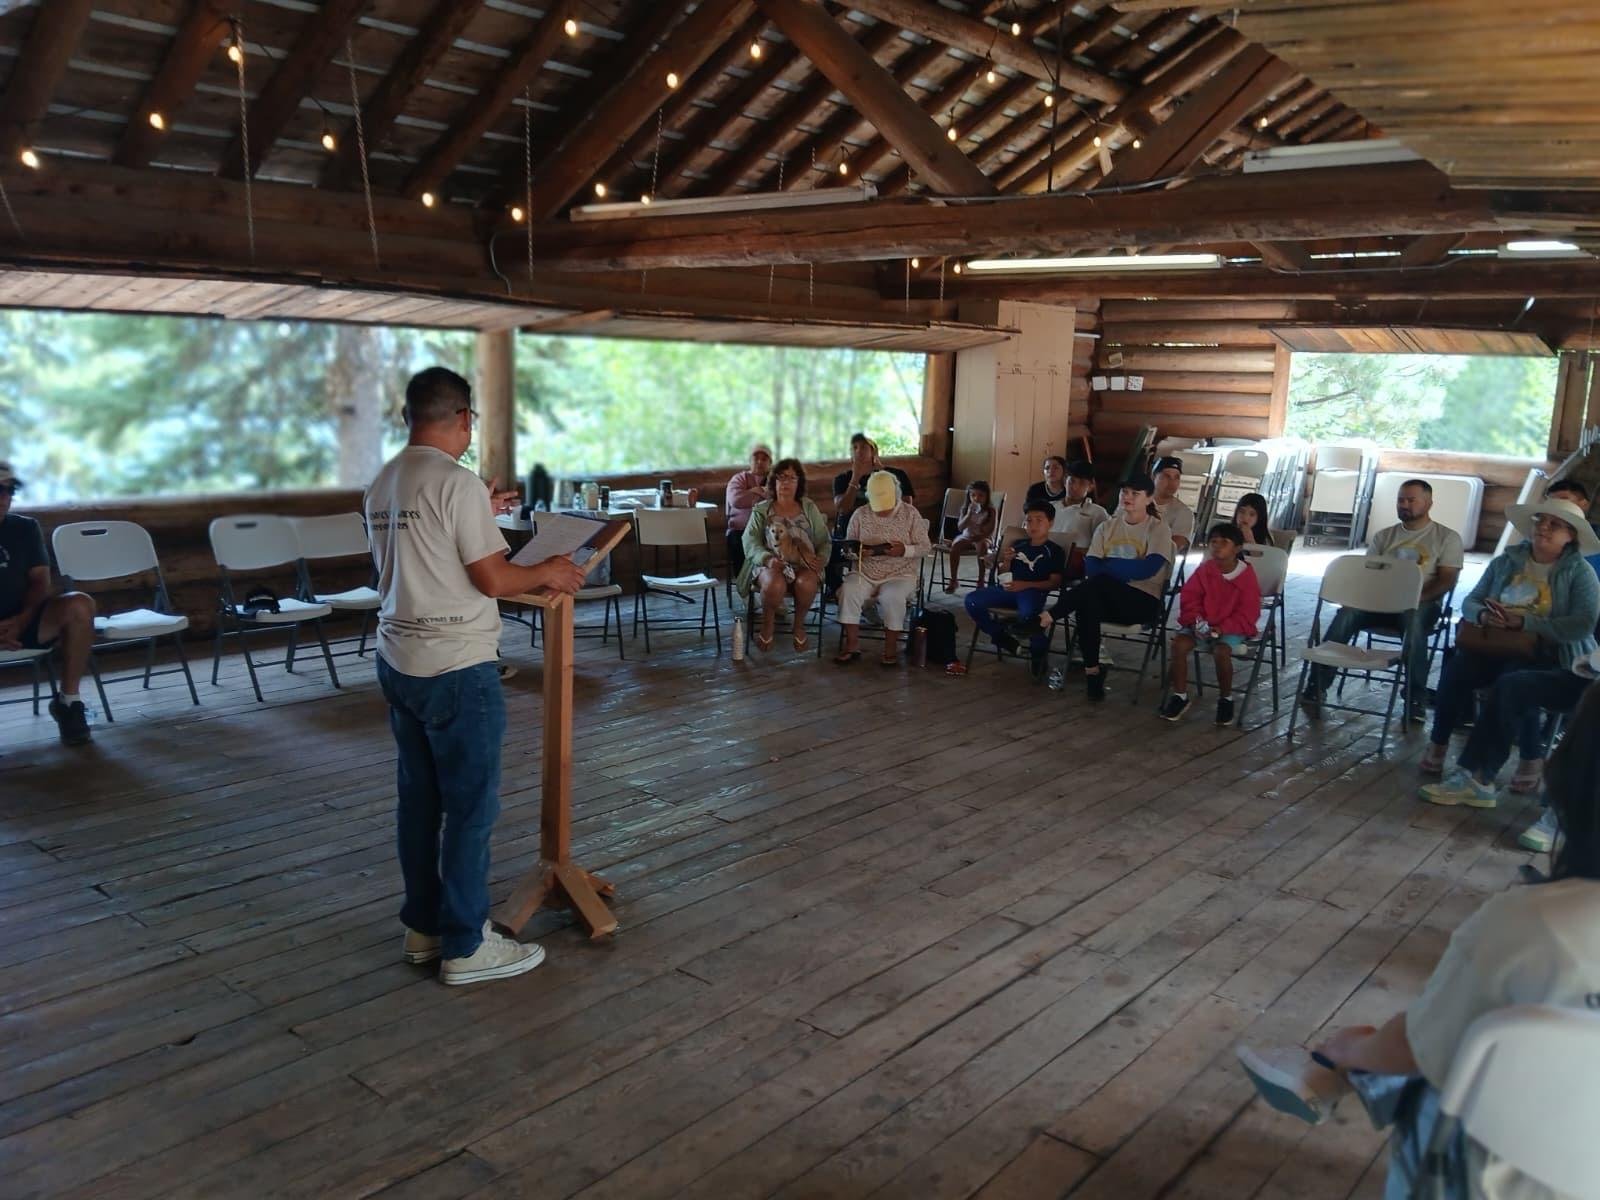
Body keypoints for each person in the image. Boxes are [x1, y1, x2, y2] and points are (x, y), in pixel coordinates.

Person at [1236, 680, 1600, 1200]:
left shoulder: (1530, 925)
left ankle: (1328, 1067)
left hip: (1498, 1175)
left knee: (1444, 1059)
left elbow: (1416, 1046)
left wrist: (1352, 1048)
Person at [366, 367, 587, 987]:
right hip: (457, 666)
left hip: (398, 658)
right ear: (462, 418)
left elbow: (420, 551)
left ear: (410, 416)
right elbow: (493, 580)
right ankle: (466, 945)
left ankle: (424, 927)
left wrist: (477, 512)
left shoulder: (385, 480)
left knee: (419, 803)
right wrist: (549, 570)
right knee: (469, 809)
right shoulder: (455, 483)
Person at [1417, 497, 1600, 804]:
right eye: (1540, 521)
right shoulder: (1507, 561)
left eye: (1554, 525)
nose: (1543, 527)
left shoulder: (1580, 573)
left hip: (1550, 653)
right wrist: (1486, 616)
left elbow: (1581, 625)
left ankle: (1484, 772)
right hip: (1495, 642)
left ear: (1570, 536)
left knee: (1513, 679)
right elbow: (1471, 601)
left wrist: (1525, 623)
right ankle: (1441, 745)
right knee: (1456, 670)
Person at [1303, 479, 1464, 716]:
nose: (1404, 505)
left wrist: (1418, 599)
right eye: (1401, 500)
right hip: (1379, 602)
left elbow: (1447, 579)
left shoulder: (1446, 537)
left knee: (1415, 621)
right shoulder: (1384, 537)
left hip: (1420, 604)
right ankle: (1316, 685)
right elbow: (1369, 575)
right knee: (1346, 613)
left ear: (1429, 503)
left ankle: (1415, 698)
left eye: (1411, 500)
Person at [1024, 473, 1173, 702]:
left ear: (1149, 498)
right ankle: (1092, 674)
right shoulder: (1107, 527)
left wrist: (1110, 565)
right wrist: (1122, 567)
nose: (1128, 497)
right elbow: (1091, 567)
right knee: (1087, 602)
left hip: (1144, 601)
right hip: (1108, 597)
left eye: (1135, 493)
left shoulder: (1158, 529)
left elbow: (1148, 570)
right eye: (1125, 492)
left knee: (1096, 587)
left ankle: (1046, 618)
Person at [0, 460, 97, 745]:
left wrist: (22, 620)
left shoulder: (24, 528)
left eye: (10, 490)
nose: (5, 497)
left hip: (25, 622)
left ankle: (69, 702)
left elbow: (41, 582)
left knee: (80, 604)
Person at [1159, 522, 1262, 726]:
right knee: (1178, 645)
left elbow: (1248, 612)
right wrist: (1196, 620)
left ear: (1238, 548)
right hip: (1201, 623)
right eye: (1213, 542)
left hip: (1231, 627)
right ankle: (1180, 695)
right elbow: (1190, 597)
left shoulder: (1246, 576)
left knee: (1221, 652)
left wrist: (1222, 628)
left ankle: (1226, 698)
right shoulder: (1205, 570)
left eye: (1224, 542)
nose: (1217, 546)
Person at [835, 470, 930, 666]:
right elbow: (848, 546)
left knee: (892, 596)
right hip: (865, 571)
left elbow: (925, 547)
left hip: (900, 573)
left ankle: (890, 649)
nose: (881, 511)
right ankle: (852, 645)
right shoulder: (860, 514)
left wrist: (904, 549)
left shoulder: (910, 514)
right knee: (849, 590)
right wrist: (858, 552)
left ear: (896, 494)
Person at [737, 457, 830, 653]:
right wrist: (767, 559)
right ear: (773, 482)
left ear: (799, 483)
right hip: (769, 564)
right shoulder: (762, 509)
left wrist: (821, 558)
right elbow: (749, 541)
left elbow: (824, 540)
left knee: (807, 583)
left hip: (803, 563)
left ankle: (798, 625)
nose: (785, 482)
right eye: (781, 478)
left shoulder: (809, 508)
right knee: (774, 583)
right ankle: (768, 623)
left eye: (791, 478)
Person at [964, 499, 1065, 680]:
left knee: (1030, 616)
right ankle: (1000, 636)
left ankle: (1038, 653)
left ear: (1050, 523)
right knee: (972, 600)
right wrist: (1007, 561)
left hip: (1032, 592)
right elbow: (1003, 572)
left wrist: (1025, 585)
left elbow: (1054, 583)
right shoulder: (1018, 544)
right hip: (1008, 589)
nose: (1032, 525)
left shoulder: (1054, 550)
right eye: (1028, 520)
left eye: (1039, 520)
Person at [832, 433, 914, 536]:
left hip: (889, 532)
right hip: (853, 535)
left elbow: (906, 507)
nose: (858, 451)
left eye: (863, 447)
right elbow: (842, 509)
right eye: (854, 448)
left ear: (873, 452)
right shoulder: (842, 479)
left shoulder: (897, 475)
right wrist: (855, 477)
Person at [724, 443, 772, 590]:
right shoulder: (739, 479)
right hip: (740, 529)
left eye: (764, 459)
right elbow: (736, 500)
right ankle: (744, 585)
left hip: (768, 529)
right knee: (736, 539)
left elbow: (777, 500)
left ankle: (772, 586)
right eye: (756, 458)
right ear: (749, 461)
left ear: (770, 463)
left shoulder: (775, 480)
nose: (759, 462)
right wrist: (759, 491)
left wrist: (751, 492)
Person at [1051, 461, 1110, 571]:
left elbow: (1104, 549)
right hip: (1045, 560)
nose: (1074, 487)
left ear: (1091, 487)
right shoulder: (1049, 508)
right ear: (1065, 481)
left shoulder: (1097, 513)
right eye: (1072, 481)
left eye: (1082, 483)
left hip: (1077, 566)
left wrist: (1076, 552)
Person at [943, 479, 996, 594]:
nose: (976, 498)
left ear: (987, 497)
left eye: (981, 495)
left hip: (983, 537)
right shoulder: (965, 509)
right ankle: (953, 580)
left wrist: (981, 535)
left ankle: (981, 581)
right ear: (969, 496)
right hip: (967, 536)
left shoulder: (990, 511)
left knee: (982, 547)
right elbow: (960, 528)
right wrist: (968, 514)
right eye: (973, 495)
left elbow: (990, 530)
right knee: (955, 546)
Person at [1151, 455, 1195, 554]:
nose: (1172, 482)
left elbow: (1175, 545)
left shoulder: (1184, 512)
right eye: (1166, 476)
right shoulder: (1137, 502)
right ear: (1154, 476)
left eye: (1176, 478)